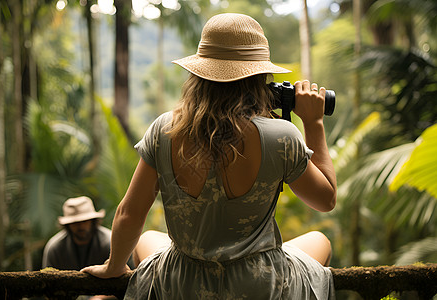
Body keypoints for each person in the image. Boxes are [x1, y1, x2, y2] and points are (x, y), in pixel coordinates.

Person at [82, 13, 337, 299]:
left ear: (199, 74)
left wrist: (115, 267)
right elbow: (325, 200)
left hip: (183, 283)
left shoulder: (164, 129)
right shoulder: (282, 137)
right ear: (259, 78)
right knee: (319, 240)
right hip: (256, 285)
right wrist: (314, 125)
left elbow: (129, 213)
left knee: (148, 239)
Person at [42, 196, 111, 270]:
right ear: (68, 225)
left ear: (93, 221)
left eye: (85, 221)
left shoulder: (110, 243)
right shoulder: (55, 248)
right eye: (75, 223)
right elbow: (47, 279)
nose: (81, 226)